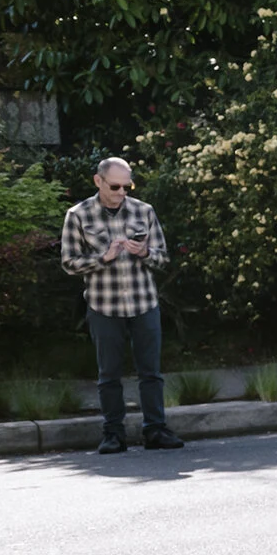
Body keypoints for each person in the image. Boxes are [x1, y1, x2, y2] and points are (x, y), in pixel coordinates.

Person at [60, 156, 182, 453]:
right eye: (115, 186)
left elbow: (163, 258)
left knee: (151, 373)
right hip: (104, 306)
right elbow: (68, 263)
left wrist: (144, 252)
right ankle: (113, 434)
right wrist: (103, 258)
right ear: (98, 181)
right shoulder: (78, 215)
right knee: (109, 375)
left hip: (144, 302)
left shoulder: (144, 211)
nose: (121, 192)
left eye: (127, 186)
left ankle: (155, 430)